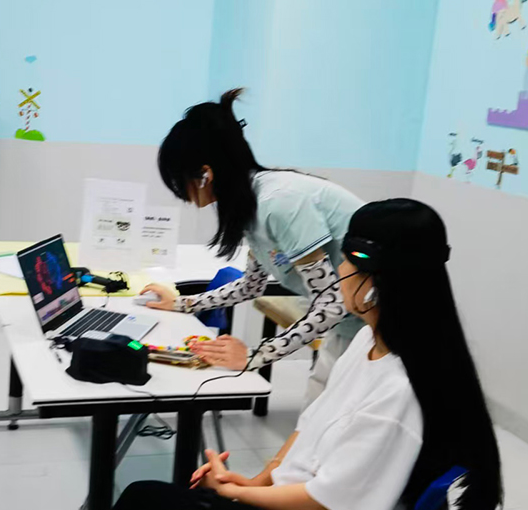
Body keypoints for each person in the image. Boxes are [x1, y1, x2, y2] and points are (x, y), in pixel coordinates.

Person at [0, 199, 503, 510]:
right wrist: (256, 479)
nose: (336, 271)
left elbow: (327, 504)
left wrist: (237, 494)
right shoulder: (370, 343)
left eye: (344, 261)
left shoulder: (402, 393)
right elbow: (312, 428)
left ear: (375, 280)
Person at [142, 88, 365, 404]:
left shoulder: (280, 204)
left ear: (205, 175)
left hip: (388, 322)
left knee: (336, 416)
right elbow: (251, 285)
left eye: (180, 182)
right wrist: (182, 303)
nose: (183, 195)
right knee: (317, 412)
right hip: (350, 323)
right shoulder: (248, 205)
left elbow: (331, 304)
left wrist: (254, 355)